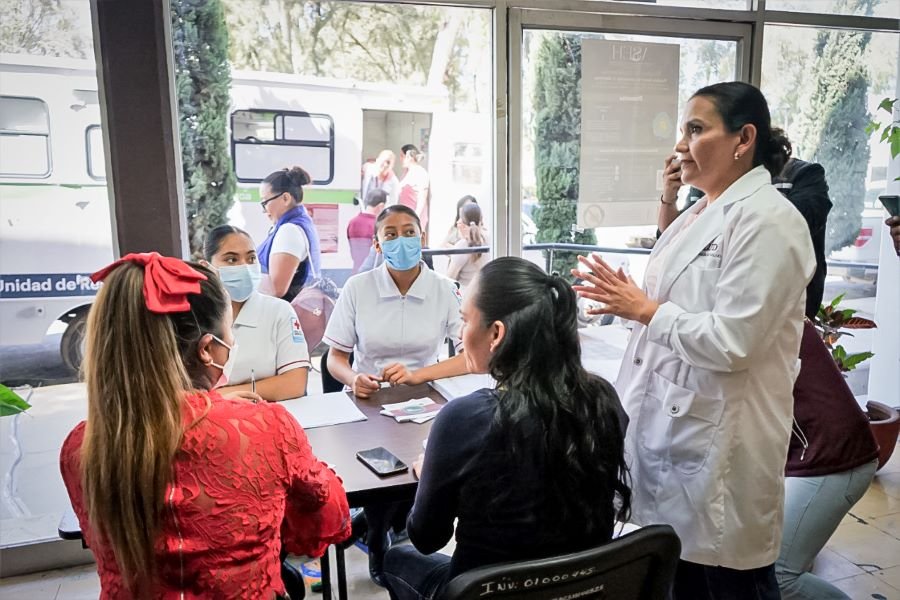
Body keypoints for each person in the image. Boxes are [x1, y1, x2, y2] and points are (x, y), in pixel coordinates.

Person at [575, 81, 815, 599]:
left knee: (730, 583)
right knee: (679, 576)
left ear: (743, 138)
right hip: (675, 433)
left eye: (696, 129)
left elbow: (734, 340)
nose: (680, 144)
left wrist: (643, 308)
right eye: (684, 130)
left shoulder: (770, 221)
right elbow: (671, 298)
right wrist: (633, 301)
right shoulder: (704, 210)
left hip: (723, 451)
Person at [59, 252, 350, 598]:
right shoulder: (266, 428)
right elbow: (323, 514)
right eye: (230, 331)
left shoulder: (82, 445)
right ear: (208, 349)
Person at [381, 257, 631, 600]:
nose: (459, 332)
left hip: (484, 592)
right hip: (579, 589)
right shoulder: (604, 401)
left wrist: (429, 474)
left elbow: (426, 538)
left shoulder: (465, 419)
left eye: (466, 320)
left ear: (496, 333)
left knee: (397, 556)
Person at [323, 204, 469, 585]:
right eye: (390, 234)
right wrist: (354, 378)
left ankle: (397, 527)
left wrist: (419, 374)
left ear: (421, 237)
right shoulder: (358, 287)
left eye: (409, 231)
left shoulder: (444, 289)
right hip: (368, 400)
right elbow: (334, 357)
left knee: (420, 469)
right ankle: (376, 534)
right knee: (377, 477)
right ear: (376, 244)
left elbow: (470, 355)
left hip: (425, 399)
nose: (401, 240)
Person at [775, 320, 879, 600]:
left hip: (834, 458)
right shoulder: (776, 304)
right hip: (815, 451)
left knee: (780, 574)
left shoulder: (764, 314)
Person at [659, 155, 832, 319]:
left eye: (698, 131)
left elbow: (788, 231)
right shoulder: (706, 183)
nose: (684, 146)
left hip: (777, 312)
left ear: (744, 139)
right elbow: (673, 237)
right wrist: (669, 197)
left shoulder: (804, 175)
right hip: (704, 315)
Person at [204, 225, 310, 401]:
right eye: (231, 260)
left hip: (265, 416)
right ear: (206, 267)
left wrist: (218, 396)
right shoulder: (193, 315)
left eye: (251, 258)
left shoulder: (279, 311)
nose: (245, 267)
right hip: (206, 419)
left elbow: (295, 384)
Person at [257, 166, 322, 302]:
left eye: (265, 202)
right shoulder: (301, 222)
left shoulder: (290, 231)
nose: (264, 210)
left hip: (285, 314)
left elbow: (277, 288)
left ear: (285, 198)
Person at [446, 201, 488, 290]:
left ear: (463, 224)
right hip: (485, 296)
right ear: (481, 220)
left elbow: (448, 281)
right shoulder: (490, 239)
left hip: (465, 298)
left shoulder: (462, 246)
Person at [348, 188, 387, 274]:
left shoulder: (352, 222)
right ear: (381, 206)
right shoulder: (379, 226)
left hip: (355, 272)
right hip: (371, 275)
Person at [398, 144, 431, 232]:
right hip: (404, 215)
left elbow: (422, 197)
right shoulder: (405, 173)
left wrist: (416, 216)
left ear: (408, 156)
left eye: (402, 156)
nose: (400, 159)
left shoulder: (420, 173)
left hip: (415, 216)